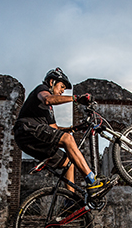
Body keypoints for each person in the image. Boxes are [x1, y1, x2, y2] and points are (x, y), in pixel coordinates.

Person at [14, 67, 118, 199]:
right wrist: (76, 98)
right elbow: (47, 99)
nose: (63, 91)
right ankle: (92, 180)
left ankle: (70, 200)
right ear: (51, 82)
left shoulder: (48, 111)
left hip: (29, 139)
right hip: (26, 129)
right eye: (61, 86)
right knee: (68, 139)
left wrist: (74, 128)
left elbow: (55, 130)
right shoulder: (41, 89)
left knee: (68, 161)